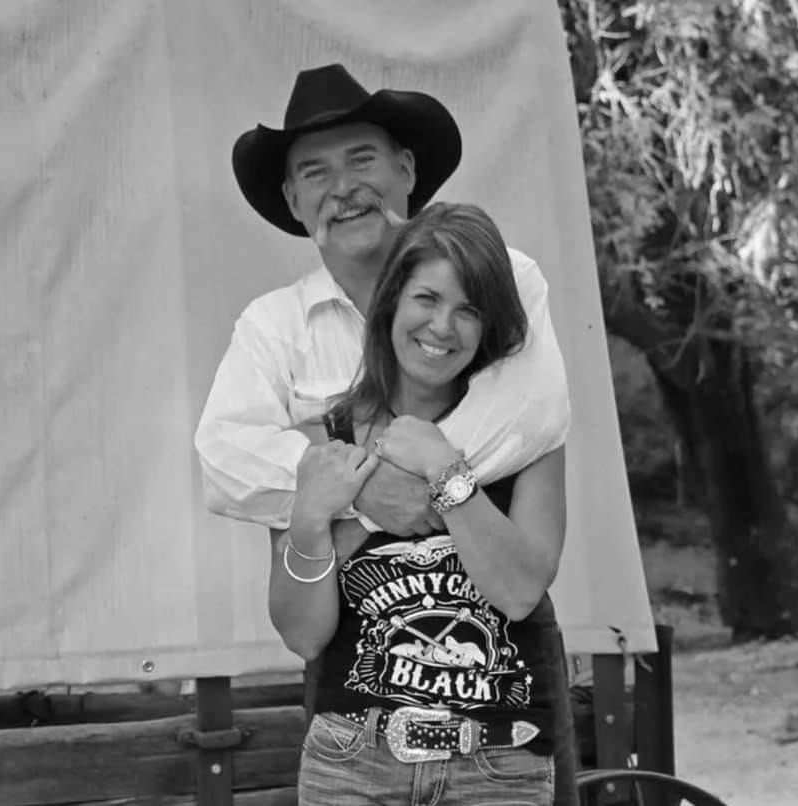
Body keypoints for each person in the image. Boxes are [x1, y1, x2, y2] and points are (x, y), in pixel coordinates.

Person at [195, 64, 578, 804]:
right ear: (293, 200)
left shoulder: (512, 275)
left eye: (362, 159)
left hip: (503, 715)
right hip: (358, 715)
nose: (344, 187)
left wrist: (398, 478)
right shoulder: (274, 331)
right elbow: (229, 465)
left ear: (406, 170)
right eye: (316, 171)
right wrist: (367, 494)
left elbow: (538, 414)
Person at [270, 201, 568, 805]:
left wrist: (443, 466)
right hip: (354, 761)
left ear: (491, 328)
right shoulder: (324, 436)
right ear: (392, 304)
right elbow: (303, 636)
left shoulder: (527, 438)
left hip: (499, 765)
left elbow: (517, 590)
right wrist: (308, 518)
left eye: (469, 311)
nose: (442, 328)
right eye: (427, 299)